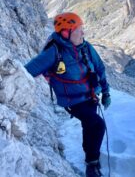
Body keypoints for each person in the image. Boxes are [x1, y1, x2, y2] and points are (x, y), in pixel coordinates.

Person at [25, 12, 111, 177]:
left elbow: (99, 68)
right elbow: (28, 69)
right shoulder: (54, 52)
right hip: (73, 101)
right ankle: (92, 163)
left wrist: (106, 92)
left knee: (89, 125)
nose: (83, 33)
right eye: (79, 30)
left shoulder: (86, 47)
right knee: (98, 125)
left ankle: (90, 159)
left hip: (90, 96)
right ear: (66, 32)